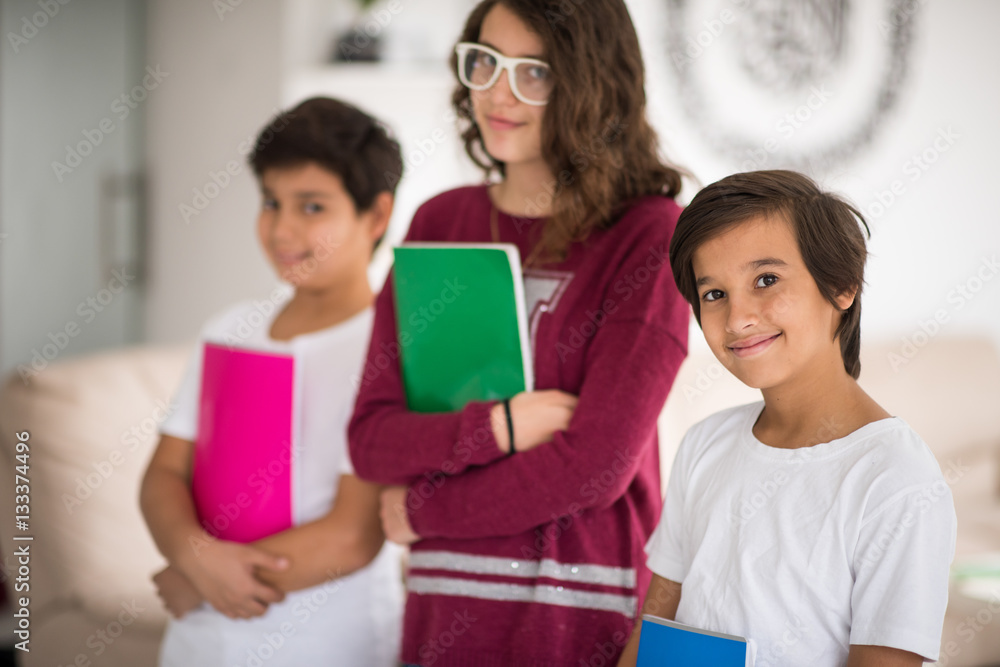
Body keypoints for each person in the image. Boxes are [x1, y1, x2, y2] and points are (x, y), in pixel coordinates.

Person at [347, 1, 690, 664]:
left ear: (592, 85)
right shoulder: (439, 223)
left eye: (535, 72)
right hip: (444, 604)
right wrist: (499, 426)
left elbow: (595, 470)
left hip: (580, 609)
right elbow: (372, 441)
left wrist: (424, 512)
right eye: (486, 63)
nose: (499, 94)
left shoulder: (650, 236)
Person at [617, 170, 956, 666]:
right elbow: (657, 624)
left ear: (841, 285)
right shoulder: (703, 445)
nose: (737, 319)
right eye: (714, 295)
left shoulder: (896, 479)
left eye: (766, 280)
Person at [140, 97, 405, 667]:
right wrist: (196, 559)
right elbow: (164, 473)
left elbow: (352, 535)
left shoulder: (389, 346)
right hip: (200, 640)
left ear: (377, 217)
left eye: (312, 207)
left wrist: (204, 577)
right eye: (270, 202)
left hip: (329, 639)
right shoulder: (230, 329)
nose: (282, 228)